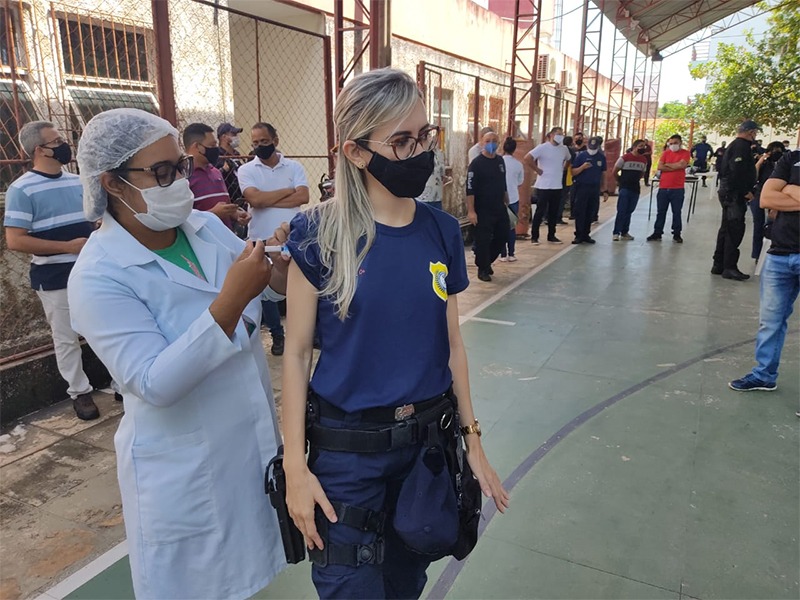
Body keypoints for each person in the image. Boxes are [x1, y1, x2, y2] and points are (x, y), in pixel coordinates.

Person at [281, 68, 509, 600]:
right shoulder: (315, 234)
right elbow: (294, 356)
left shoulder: (442, 231)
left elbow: (451, 345)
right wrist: (295, 464)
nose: (420, 153)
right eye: (401, 141)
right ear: (357, 151)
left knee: (406, 585)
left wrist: (473, 443)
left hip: (425, 451)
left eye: (424, 137)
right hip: (347, 457)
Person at [68, 108, 288, 599]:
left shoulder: (202, 229)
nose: (177, 184)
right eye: (161, 173)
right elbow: (151, 382)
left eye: (179, 168)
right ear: (112, 183)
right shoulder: (99, 275)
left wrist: (278, 266)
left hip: (245, 447)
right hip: (183, 469)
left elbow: (263, 285)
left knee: (251, 579)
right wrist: (230, 301)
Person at [3, 121, 100, 421]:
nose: (63, 144)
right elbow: (15, 240)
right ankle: (79, 392)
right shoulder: (21, 189)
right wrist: (68, 247)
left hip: (92, 271)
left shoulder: (77, 181)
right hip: (55, 278)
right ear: (38, 150)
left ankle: (122, 382)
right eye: (56, 140)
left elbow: (93, 218)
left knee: (103, 328)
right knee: (66, 337)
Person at [728, 146, 799, 402]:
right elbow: (766, 198)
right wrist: (783, 192)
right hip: (780, 254)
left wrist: (790, 189)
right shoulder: (792, 158)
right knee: (770, 321)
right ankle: (764, 375)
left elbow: (777, 194)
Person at [237, 122, 310, 356]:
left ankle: (306, 331)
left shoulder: (294, 166)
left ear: (275, 140)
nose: (259, 146)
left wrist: (265, 199)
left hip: (294, 238)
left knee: (299, 285)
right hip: (262, 239)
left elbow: (305, 196)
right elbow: (254, 200)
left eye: (264, 142)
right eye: (255, 143)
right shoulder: (247, 170)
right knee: (265, 291)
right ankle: (278, 336)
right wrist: (289, 191)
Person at [712, 120, 759, 280]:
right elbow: (736, 170)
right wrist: (745, 191)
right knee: (734, 229)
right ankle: (729, 267)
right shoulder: (741, 146)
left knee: (726, 228)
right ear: (750, 132)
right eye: (755, 132)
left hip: (729, 192)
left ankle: (719, 264)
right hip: (734, 194)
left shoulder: (737, 145)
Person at [184, 122, 250, 230]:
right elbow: (182, 220)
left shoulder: (216, 172)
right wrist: (213, 214)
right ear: (197, 147)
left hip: (225, 238)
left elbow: (224, 208)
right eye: (212, 145)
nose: (216, 149)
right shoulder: (182, 177)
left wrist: (236, 215)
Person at [467, 130, 510, 281]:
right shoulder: (476, 164)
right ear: (482, 142)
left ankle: (487, 262)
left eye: (494, 140)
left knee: (503, 234)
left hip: (499, 206)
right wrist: (471, 211)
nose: (491, 143)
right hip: (482, 209)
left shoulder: (500, 161)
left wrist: (506, 197)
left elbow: (502, 181)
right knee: (483, 240)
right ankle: (482, 268)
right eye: (488, 141)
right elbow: (470, 189)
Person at [524, 126, 570, 244]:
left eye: (562, 134)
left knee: (553, 212)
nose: (560, 136)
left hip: (557, 185)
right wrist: (537, 169)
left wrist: (564, 168)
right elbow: (527, 158)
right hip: (543, 185)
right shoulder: (542, 148)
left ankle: (551, 235)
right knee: (540, 211)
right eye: (558, 134)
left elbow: (568, 159)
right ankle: (535, 236)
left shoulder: (563, 149)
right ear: (551, 135)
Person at [647, 134, 691, 243]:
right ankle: (657, 233)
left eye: (675, 143)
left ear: (680, 143)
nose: (672, 145)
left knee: (676, 212)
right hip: (663, 188)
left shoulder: (685, 153)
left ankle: (677, 234)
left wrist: (668, 165)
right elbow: (660, 167)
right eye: (670, 143)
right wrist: (675, 166)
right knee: (661, 212)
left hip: (677, 188)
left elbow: (682, 165)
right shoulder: (665, 153)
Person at [751, 142, 786, 261]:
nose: (776, 153)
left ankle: (771, 253)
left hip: (776, 197)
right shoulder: (765, 164)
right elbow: (754, 177)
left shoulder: (783, 166)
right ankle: (757, 255)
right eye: (773, 151)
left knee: (772, 225)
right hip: (760, 194)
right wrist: (760, 162)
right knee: (758, 226)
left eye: (779, 150)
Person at [571, 135, 607, 245]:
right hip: (582, 187)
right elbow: (573, 172)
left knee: (590, 212)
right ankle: (579, 234)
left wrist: (604, 190)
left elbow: (604, 174)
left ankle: (586, 234)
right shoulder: (581, 156)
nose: (592, 149)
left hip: (594, 188)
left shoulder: (601, 157)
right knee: (580, 211)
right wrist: (582, 167)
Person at [612, 139, 648, 241]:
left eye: (644, 146)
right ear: (634, 147)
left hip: (635, 189)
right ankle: (616, 232)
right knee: (622, 211)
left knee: (629, 211)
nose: (643, 148)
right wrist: (619, 181)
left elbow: (642, 173)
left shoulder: (644, 160)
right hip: (624, 188)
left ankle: (624, 232)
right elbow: (614, 171)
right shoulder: (625, 158)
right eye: (641, 146)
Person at [500, 136, 524, 262]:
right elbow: (520, 182)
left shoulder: (498, 162)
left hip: (499, 199)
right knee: (511, 226)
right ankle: (512, 253)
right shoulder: (518, 164)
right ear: (514, 149)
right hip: (513, 198)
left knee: (500, 227)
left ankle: (502, 254)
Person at [417, 145, 452, 211]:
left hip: (437, 196)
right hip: (422, 197)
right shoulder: (417, 153)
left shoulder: (439, 153)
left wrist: (446, 178)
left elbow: (442, 174)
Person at [557, 135, 575, 223]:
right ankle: (558, 217)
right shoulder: (571, 151)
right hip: (566, 176)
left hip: (557, 176)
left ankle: (548, 217)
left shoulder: (559, 149)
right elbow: (571, 163)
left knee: (555, 198)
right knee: (562, 198)